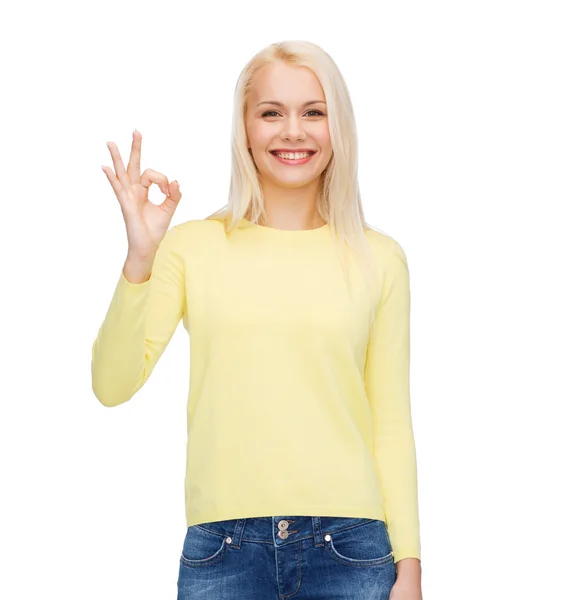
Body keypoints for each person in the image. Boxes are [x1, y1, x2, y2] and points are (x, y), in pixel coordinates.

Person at [92, 40, 423, 600]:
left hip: (352, 550)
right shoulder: (191, 247)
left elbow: (390, 421)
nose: (293, 131)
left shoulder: (379, 257)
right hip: (223, 552)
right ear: (244, 128)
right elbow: (111, 385)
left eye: (313, 113)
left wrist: (410, 568)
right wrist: (140, 259)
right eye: (271, 112)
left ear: (337, 127)